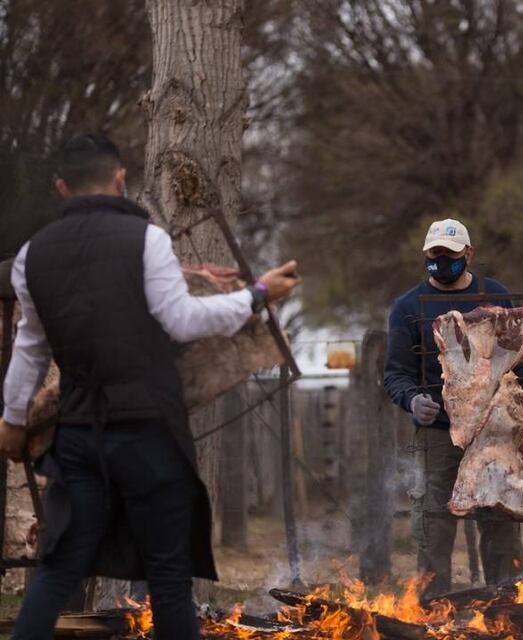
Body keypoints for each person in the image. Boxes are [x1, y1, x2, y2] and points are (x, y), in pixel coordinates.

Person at [0, 133, 301, 639]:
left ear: (61, 187)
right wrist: (257, 295)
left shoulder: (33, 255)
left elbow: (30, 348)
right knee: (167, 577)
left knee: (58, 569)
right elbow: (181, 321)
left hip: (78, 434)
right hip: (148, 433)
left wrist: (12, 420)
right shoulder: (147, 240)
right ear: (120, 179)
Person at [384, 218, 523, 597]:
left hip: (495, 429)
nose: (442, 260)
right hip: (439, 433)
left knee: (500, 519)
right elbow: (395, 375)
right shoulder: (407, 307)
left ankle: (505, 603)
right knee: (434, 523)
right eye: (435, 254)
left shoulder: (494, 294)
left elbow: (518, 356)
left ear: (468, 254)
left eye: (450, 254)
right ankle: (434, 607)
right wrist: (413, 400)